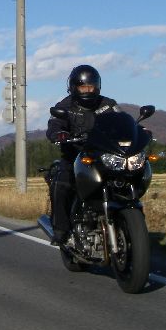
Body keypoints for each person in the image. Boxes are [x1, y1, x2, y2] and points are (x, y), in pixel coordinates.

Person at [45, 64, 118, 245]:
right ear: (74, 87)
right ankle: (60, 230)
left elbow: (123, 120)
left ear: (97, 86)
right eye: (83, 87)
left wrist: (138, 130)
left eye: (90, 87)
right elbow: (54, 124)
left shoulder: (107, 104)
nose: (87, 90)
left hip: (103, 156)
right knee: (61, 184)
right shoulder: (65, 106)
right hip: (75, 156)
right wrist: (59, 134)